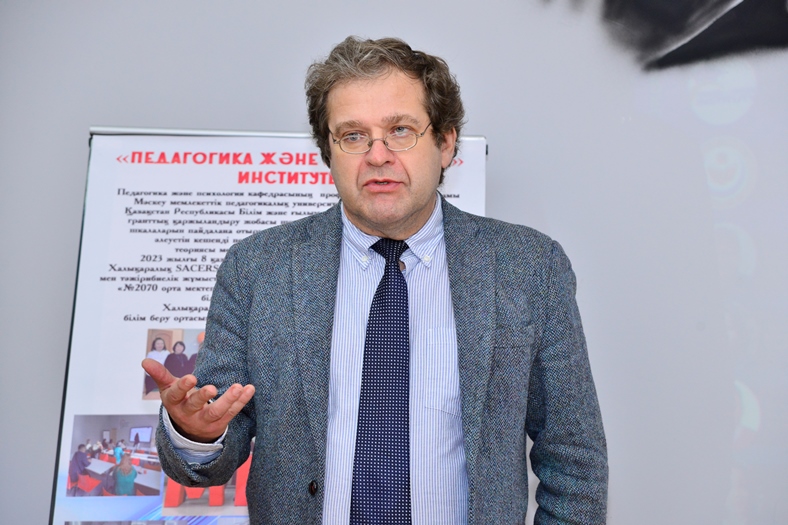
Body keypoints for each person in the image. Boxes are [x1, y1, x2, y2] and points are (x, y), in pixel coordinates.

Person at [143, 36, 608, 524]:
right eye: (353, 135)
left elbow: (574, 460)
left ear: (446, 143)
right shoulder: (257, 269)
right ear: (329, 151)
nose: (378, 155)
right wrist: (197, 433)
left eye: (400, 130)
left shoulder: (529, 267)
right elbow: (213, 445)